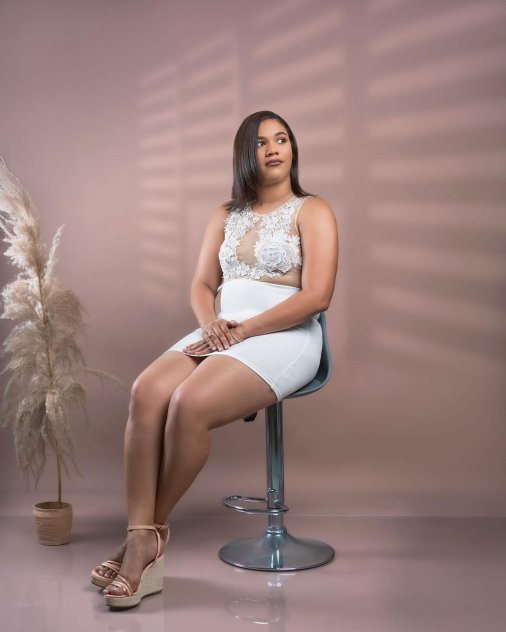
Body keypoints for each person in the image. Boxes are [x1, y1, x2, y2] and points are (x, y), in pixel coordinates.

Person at [91, 110, 339, 609]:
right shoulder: (225, 213)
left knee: (189, 404)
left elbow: (317, 296)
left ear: (293, 149)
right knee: (147, 391)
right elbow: (203, 284)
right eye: (261, 142)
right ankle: (142, 535)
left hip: (285, 333)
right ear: (245, 154)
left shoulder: (313, 210)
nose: (273, 148)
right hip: (225, 328)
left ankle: (146, 539)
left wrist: (244, 330)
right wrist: (211, 325)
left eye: (282, 139)